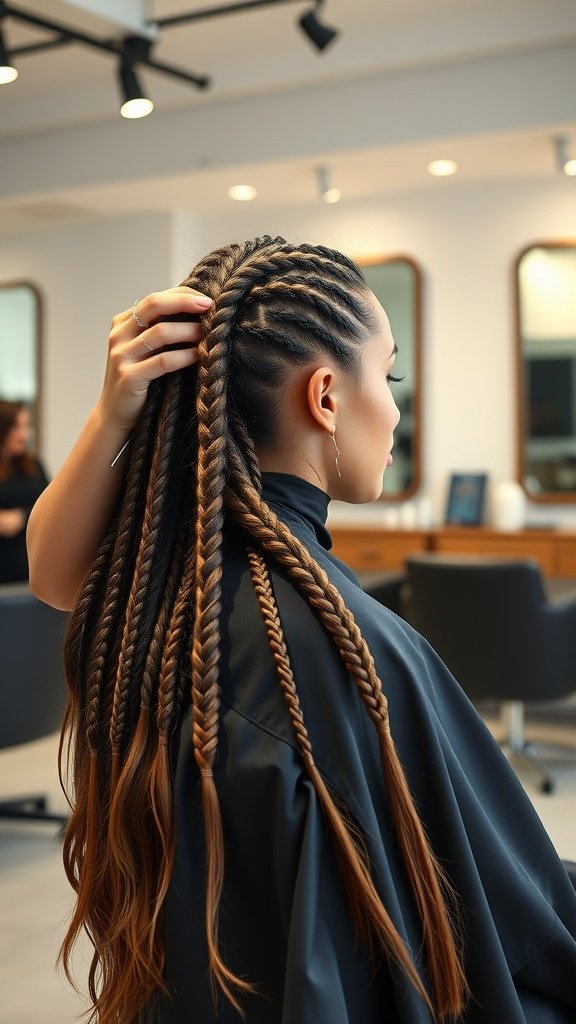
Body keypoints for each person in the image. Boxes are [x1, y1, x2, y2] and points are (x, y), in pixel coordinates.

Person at [27, 237, 576, 1024]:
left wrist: (111, 412)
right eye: (389, 377)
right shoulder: (351, 649)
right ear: (325, 398)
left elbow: (53, 575)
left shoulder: (161, 587)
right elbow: (511, 921)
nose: (396, 409)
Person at [0, 399, 48, 583]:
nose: (24, 434)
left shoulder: (34, 466)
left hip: (31, 567)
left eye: (26, 426)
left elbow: (50, 508)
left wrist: (21, 516)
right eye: (17, 427)